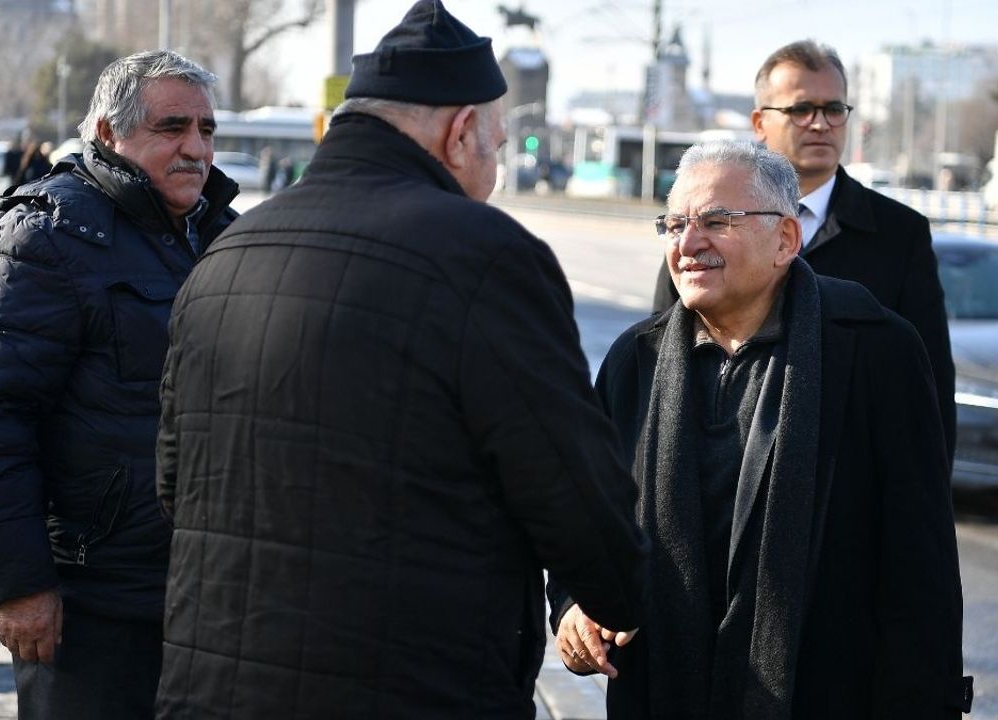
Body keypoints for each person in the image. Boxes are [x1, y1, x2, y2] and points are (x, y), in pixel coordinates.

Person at [154, 2, 648, 718]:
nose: (495, 169)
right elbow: (568, 486)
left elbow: (175, 479)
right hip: (410, 685)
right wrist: (620, 593)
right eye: (498, 146)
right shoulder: (485, 255)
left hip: (213, 685)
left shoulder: (229, 251)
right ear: (460, 132)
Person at [554, 141, 970, 719]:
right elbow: (589, 521)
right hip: (663, 692)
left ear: (785, 239)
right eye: (675, 224)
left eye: (716, 222)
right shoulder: (635, 360)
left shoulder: (873, 349)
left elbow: (918, 562)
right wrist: (576, 605)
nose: (689, 243)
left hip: (825, 695)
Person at [0, 50, 238, 719]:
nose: (196, 148)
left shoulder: (223, 235)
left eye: (206, 129)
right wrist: (20, 585)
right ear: (108, 133)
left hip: (203, 594)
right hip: (90, 599)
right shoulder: (50, 234)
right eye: (172, 128)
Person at [652, 40, 957, 464]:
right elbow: (664, 360)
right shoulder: (698, 226)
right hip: (721, 471)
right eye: (801, 109)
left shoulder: (899, 234)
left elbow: (929, 384)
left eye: (834, 109)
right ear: (760, 122)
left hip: (845, 484)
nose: (820, 124)